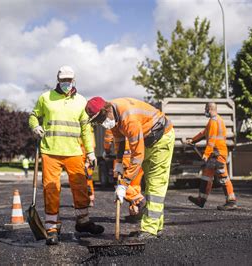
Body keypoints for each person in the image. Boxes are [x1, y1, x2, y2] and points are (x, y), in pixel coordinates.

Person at [29, 66, 104, 245]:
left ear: (74, 80)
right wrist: (34, 126)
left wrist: (91, 152)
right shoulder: (45, 98)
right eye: (63, 80)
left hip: (74, 152)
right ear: (58, 79)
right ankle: (52, 228)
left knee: (80, 188)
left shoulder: (81, 101)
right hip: (50, 152)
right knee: (51, 189)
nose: (66, 83)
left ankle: (83, 222)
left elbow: (86, 129)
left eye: (69, 80)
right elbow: (33, 115)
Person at [85, 97, 175, 240]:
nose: (101, 123)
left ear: (106, 109)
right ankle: (156, 227)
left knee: (156, 183)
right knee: (151, 183)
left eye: (101, 118)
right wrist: (119, 163)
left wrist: (123, 184)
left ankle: (150, 229)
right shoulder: (114, 116)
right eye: (98, 121)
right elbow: (120, 141)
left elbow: (137, 157)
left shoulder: (129, 119)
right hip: (149, 139)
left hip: (161, 138)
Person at [186, 102, 237, 211]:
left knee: (223, 177)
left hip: (217, 154)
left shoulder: (214, 121)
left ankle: (231, 201)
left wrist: (206, 154)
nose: (205, 111)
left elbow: (212, 140)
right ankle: (201, 200)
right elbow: (204, 133)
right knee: (206, 176)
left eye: (205, 109)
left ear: (209, 109)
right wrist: (193, 140)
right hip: (215, 154)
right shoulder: (215, 120)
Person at [104, 129, 145, 220]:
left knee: (121, 185)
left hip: (124, 160)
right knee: (134, 186)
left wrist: (107, 151)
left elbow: (108, 140)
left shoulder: (114, 122)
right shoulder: (136, 120)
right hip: (138, 160)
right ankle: (134, 213)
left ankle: (140, 200)